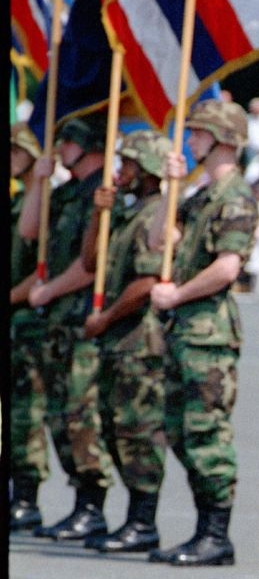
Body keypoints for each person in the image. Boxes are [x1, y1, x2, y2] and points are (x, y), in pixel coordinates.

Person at [148, 99, 259, 566]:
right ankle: (203, 530)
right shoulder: (201, 195)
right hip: (186, 331)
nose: (189, 142)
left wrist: (176, 296)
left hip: (208, 332)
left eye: (196, 134)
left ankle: (216, 534)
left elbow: (227, 267)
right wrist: (169, 188)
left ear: (222, 140)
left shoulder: (235, 198)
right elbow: (160, 240)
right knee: (179, 429)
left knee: (205, 432)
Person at [22, 116, 117, 539]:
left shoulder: (101, 197)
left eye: (66, 142)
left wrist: (49, 291)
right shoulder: (65, 193)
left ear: (88, 146)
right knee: (61, 415)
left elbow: (89, 266)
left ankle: (92, 505)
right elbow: (29, 232)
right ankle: (81, 501)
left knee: (81, 416)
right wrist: (38, 184)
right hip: (59, 321)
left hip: (79, 316)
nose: (59, 148)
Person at [79, 130, 170, 552]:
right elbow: (90, 263)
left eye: (129, 164)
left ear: (148, 168)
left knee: (138, 432)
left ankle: (143, 520)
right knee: (115, 428)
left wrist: (104, 319)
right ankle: (133, 517)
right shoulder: (129, 212)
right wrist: (100, 216)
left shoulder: (156, 215)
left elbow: (146, 282)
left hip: (139, 339)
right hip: (117, 339)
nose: (121, 172)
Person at [9, 124, 50, 531]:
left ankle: (27, 496)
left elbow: (39, 266)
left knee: (27, 414)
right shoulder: (17, 199)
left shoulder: (42, 200)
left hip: (28, 319)